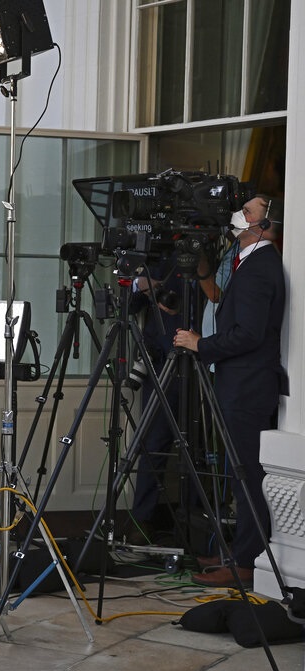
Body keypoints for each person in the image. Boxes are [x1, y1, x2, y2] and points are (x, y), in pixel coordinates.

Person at [173, 195, 287, 589]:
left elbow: (249, 334)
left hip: (247, 386)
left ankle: (247, 562)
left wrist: (201, 344)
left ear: (265, 224)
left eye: (248, 211)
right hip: (238, 382)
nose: (240, 214)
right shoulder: (246, 261)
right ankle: (239, 552)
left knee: (247, 475)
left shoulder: (261, 266)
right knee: (238, 473)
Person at [126, 257, 187, 544]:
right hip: (159, 363)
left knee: (195, 449)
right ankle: (142, 519)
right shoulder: (154, 257)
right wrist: (140, 285)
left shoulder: (202, 258)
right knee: (153, 444)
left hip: (198, 356)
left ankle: (196, 523)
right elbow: (128, 306)